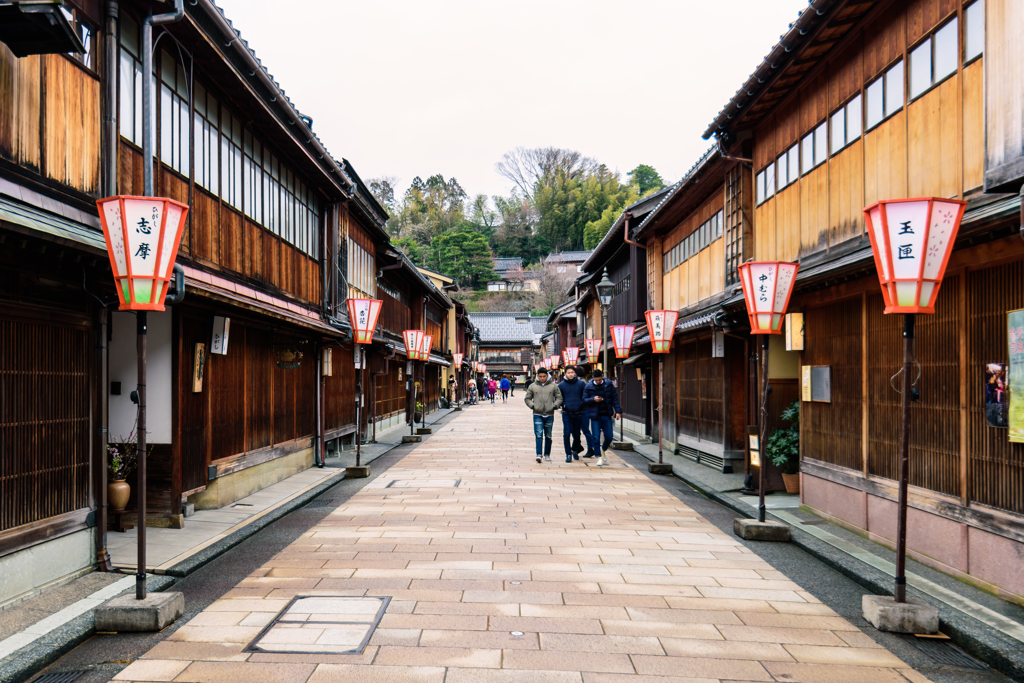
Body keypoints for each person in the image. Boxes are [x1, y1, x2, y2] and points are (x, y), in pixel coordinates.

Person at [583, 369, 622, 467]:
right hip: (595, 415)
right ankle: (599, 457)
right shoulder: (588, 387)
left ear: (602, 376)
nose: (598, 381)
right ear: (593, 378)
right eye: (596, 380)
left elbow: (614, 398)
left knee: (609, 436)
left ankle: (603, 449)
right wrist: (593, 399)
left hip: (607, 414)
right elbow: (584, 399)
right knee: (595, 437)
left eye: (599, 379)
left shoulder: (609, 385)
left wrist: (618, 411)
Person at [524, 367, 562, 463]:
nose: (542, 378)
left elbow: (559, 398)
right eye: (540, 376)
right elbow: (527, 398)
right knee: (538, 435)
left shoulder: (553, 386)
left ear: (547, 376)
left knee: (548, 435)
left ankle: (547, 454)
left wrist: (554, 406)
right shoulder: (532, 386)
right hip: (537, 413)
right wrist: (533, 406)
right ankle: (539, 455)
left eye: (544, 376)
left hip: (549, 414)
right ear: (537, 376)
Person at [558, 366, 594, 463]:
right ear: (565, 373)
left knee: (577, 435)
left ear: (575, 373)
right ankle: (568, 454)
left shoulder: (581, 384)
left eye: (572, 372)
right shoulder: (561, 385)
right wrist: (562, 405)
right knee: (566, 434)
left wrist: (582, 404)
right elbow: (558, 398)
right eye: (568, 372)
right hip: (566, 413)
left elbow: (585, 396)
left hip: (579, 413)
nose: (570, 374)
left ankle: (575, 450)